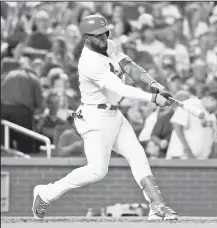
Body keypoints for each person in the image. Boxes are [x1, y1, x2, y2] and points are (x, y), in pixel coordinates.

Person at [32, 15, 178, 221]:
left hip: (114, 114)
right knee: (96, 171)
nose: (103, 39)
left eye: (105, 33)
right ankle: (45, 193)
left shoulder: (108, 45)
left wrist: (152, 82)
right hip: (95, 117)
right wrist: (153, 98)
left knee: (137, 154)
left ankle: (157, 206)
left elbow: (127, 64)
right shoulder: (89, 62)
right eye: (97, 36)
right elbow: (121, 88)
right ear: (86, 38)